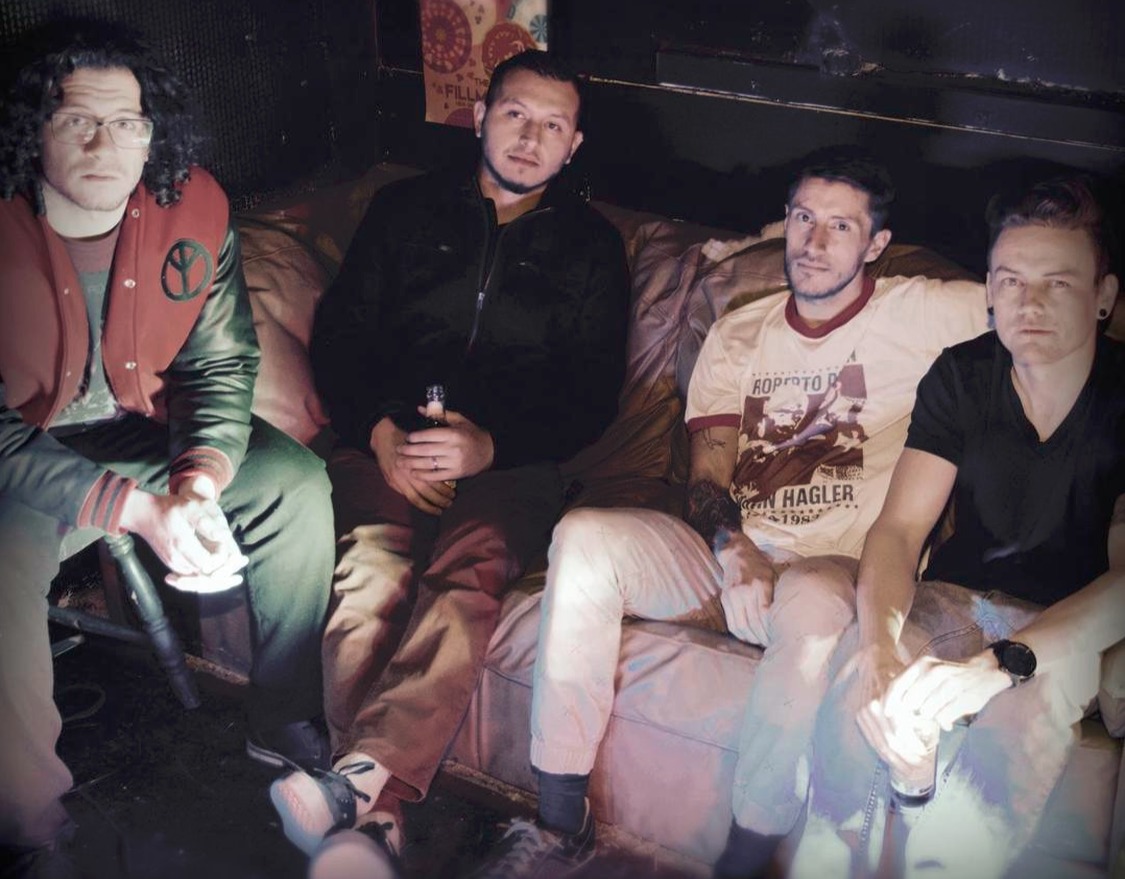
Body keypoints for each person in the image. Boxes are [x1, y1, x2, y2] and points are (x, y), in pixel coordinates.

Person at [468, 148, 992, 879]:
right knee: (584, 536)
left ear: (875, 244)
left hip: (837, 568)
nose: (813, 242)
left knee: (812, 596)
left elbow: (1042, 300)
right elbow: (709, 475)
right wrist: (731, 546)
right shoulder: (739, 331)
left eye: (840, 226)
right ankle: (559, 822)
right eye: (802, 218)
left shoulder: (923, 310)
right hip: (732, 565)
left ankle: (743, 856)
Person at [270, 49, 631, 876]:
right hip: (388, 442)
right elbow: (342, 336)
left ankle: (358, 797)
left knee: (470, 571)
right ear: (479, 117)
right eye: (515, 114)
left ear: (573, 146)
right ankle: (375, 816)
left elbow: (592, 395)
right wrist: (378, 432)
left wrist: (490, 444)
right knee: (370, 567)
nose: (529, 138)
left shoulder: (591, 247)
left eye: (552, 126)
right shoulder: (404, 209)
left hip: (512, 464)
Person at [0, 20, 335, 875]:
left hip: (135, 428)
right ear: (33, 127)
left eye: (128, 122)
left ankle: (283, 717)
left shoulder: (193, 206)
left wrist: (197, 481)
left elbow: (218, 361)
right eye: (78, 120)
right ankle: (31, 823)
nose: (105, 145)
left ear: (155, 132)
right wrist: (133, 510)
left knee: (294, 483)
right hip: (21, 453)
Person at [790, 175, 1123, 879]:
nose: (1029, 302)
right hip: (958, 598)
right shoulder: (962, 374)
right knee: (857, 684)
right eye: (1010, 280)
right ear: (990, 291)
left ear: (1103, 296)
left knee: (993, 769)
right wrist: (877, 645)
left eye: (1058, 283)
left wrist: (1002, 664)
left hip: (1068, 622)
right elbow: (898, 531)